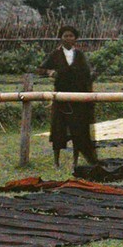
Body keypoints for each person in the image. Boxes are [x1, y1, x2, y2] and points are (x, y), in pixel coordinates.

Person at [38, 25, 98, 170]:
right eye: (66, 36)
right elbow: (40, 69)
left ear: (75, 39)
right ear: (61, 38)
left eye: (71, 36)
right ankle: (56, 162)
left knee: (78, 129)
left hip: (78, 98)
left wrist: (92, 77)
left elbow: (86, 74)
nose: (68, 39)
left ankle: (75, 162)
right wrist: (50, 73)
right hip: (61, 97)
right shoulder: (55, 54)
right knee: (59, 130)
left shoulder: (80, 55)